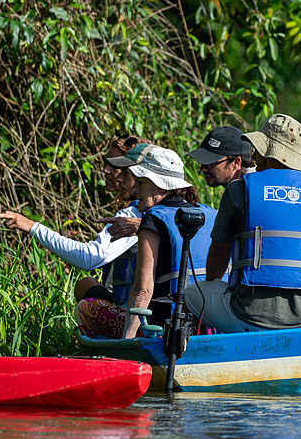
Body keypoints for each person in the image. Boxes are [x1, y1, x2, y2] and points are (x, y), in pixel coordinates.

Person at [185, 114, 301, 333]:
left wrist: (213, 284)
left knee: (192, 292)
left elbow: (219, 252)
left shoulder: (238, 189)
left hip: (248, 317)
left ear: (269, 153)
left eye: (257, 149)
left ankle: (204, 344)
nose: (254, 157)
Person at [75, 144, 218, 339]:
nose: (135, 190)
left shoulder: (153, 220)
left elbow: (143, 289)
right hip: (206, 329)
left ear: (159, 184)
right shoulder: (210, 214)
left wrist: (127, 340)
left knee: (86, 308)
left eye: (140, 183)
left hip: (162, 331)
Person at [0, 135, 150, 304]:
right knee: (85, 284)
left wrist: (34, 227)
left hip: (136, 311)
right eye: (106, 163)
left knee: (84, 301)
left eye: (116, 167)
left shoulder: (134, 214)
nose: (106, 170)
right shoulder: (151, 211)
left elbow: (90, 258)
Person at [187, 126, 252, 188]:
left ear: (236, 163)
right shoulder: (238, 190)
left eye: (210, 164)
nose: (202, 169)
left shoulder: (251, 193)